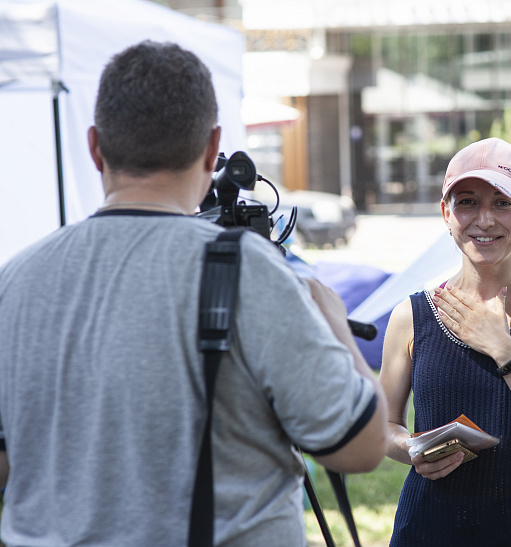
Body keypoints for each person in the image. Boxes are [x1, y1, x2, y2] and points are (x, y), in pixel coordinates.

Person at [0, 41, 387, 546]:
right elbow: (361, 446)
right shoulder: (250, 271)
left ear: (95, 146)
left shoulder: (16, 279)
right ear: (211, 149)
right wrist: (334, 323)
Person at [378, 137, 511, 546]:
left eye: (502, 203)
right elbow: (385, 426)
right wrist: (412, 449)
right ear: (446, 214)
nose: (485, 219)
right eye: (467, 202)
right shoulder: (412, 315)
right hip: (425, 532)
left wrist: (504, 349)